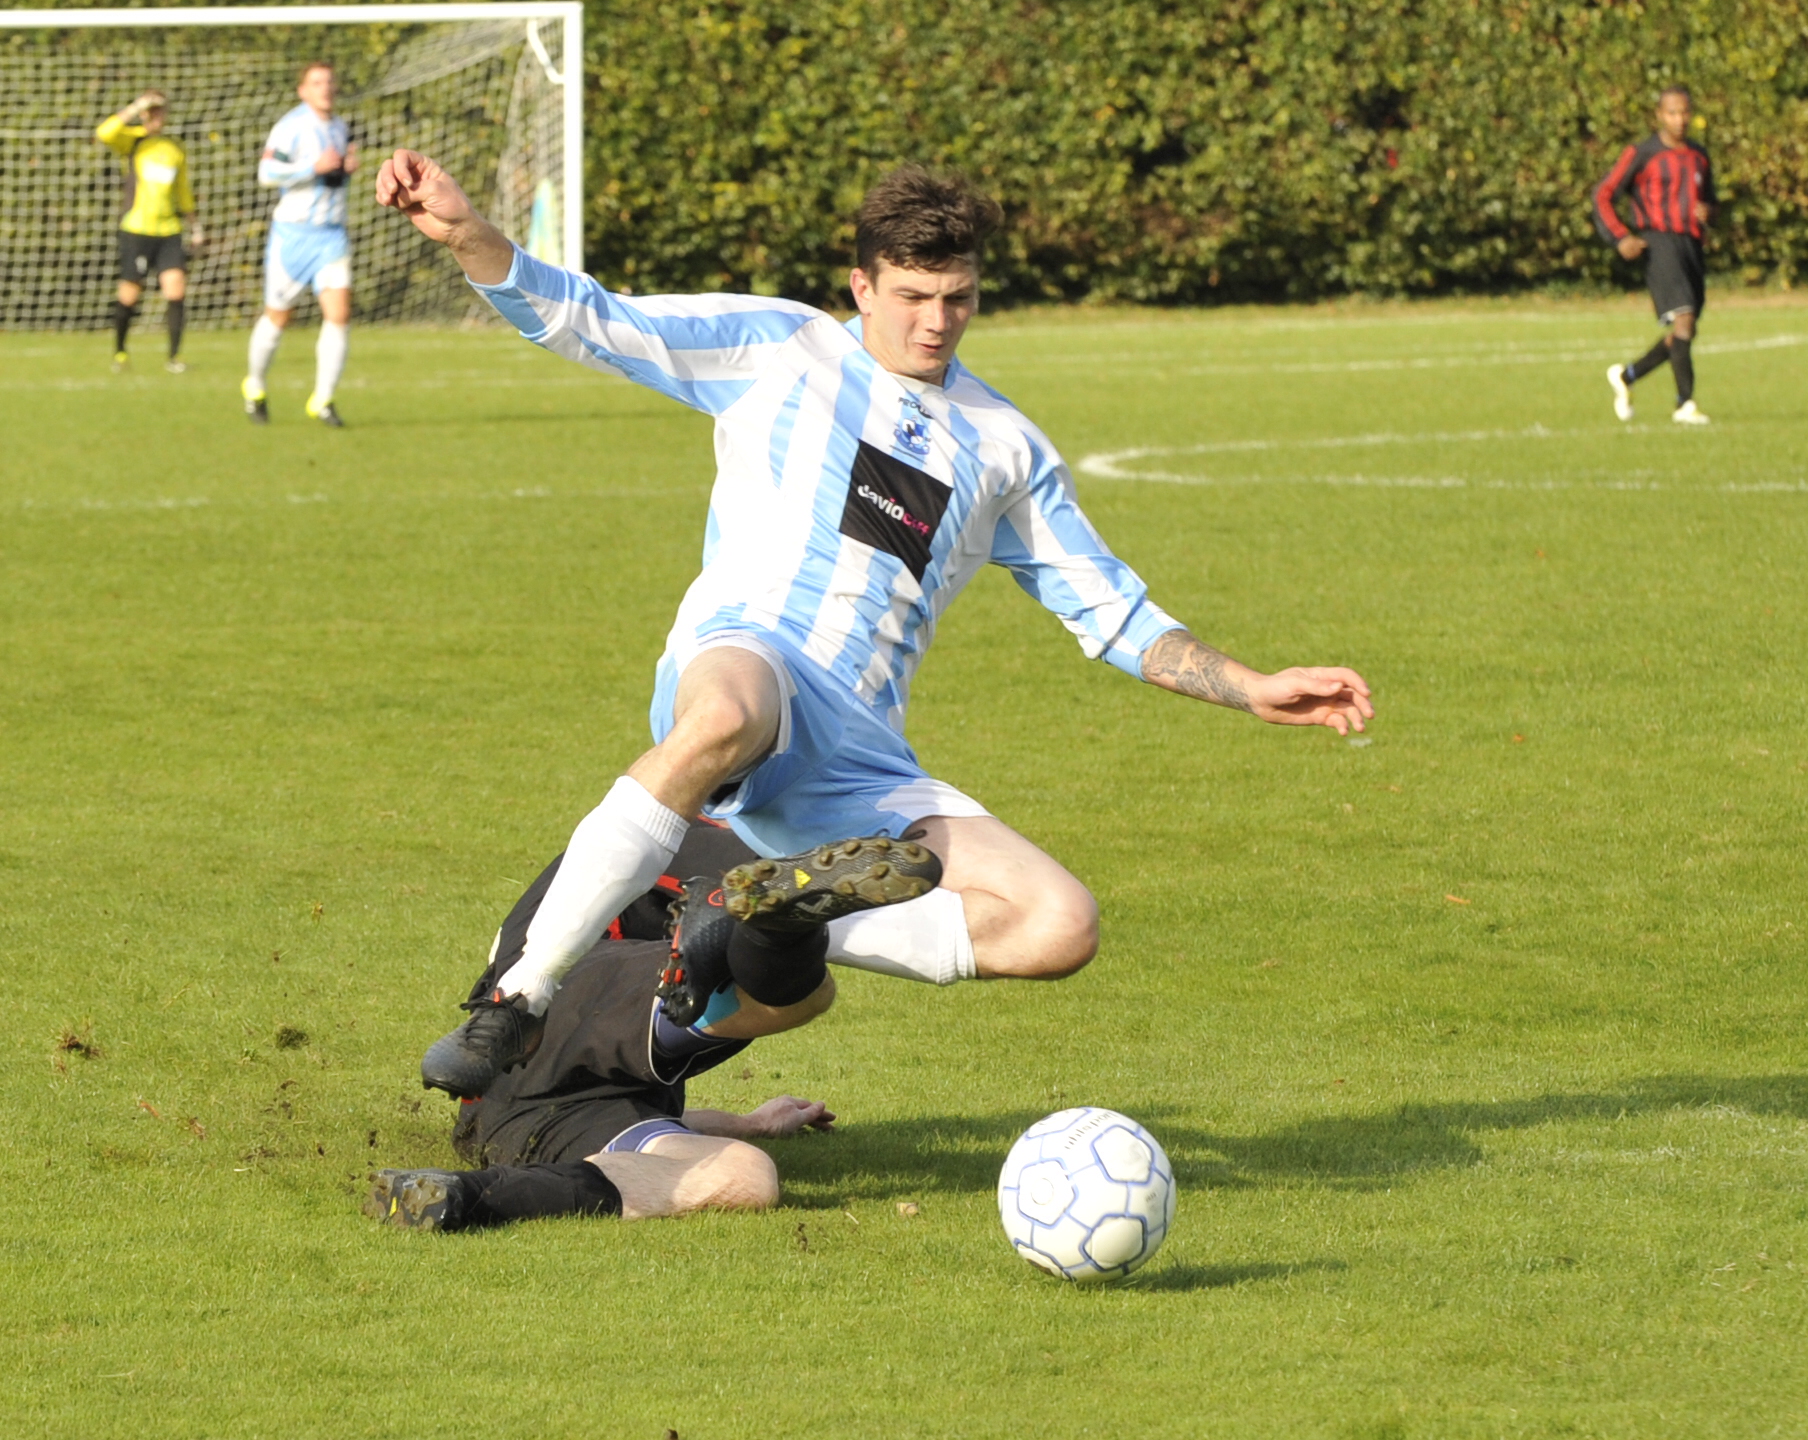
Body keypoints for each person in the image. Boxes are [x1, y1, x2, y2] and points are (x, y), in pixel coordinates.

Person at [376, 149, 1376, 1099]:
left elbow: (1108, 610)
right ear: (860, 287)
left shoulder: (1003, 448)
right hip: (750, 653)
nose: (935, 322)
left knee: (1058, 925)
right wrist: (467, 233)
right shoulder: (778, 347)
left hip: (858, 752)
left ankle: (758, 908)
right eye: (911, 296)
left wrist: (1249, 686)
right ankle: (516, 1000)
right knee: (724, 714)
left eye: (956, 298)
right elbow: (589, 319)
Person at [369, 821, 845, 1231]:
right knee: (789, 995)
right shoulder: (687, 837)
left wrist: (751, 1125)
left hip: (525, 1112)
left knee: (746, 1176)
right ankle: (777, 937)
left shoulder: (640, 833)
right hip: (557, 1007)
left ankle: (453, 1196)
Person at [242, 61, 357, 428]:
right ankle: (255, 385)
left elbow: (332, 173)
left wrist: (345, 168)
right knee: (278, 316)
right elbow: (266, 173)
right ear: (302, 90)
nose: (324, 87)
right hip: (293, 235)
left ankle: (323, 399)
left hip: (331, 235)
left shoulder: (340, 127)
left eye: (329, 81)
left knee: (338, 315)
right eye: (316, 82)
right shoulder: (291, 127)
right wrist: (312, 167)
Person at [1596, 85, 1716, 426]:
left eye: (1685, 112)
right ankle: (1685, 404)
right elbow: (1602, 195)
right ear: (1659, 116)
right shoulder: (1642, 152)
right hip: (1658, 241)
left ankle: (1628, 376)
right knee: (1684, 318)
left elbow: (1712, 202)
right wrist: (1620, 237)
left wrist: (1710, 213)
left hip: (1691, 245)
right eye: (1672, 113)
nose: (1680, 120)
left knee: (1685, 330)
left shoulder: (1699, 156)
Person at [95, 90, 200, 374]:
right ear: (144, 114)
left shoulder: (173, 149)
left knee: (176, 289)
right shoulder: (133, 141)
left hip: (169, 231)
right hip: (137, 230)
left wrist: (194, 225)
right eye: (150, 112)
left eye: (159, 112)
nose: (155, 117)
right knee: (129, 294)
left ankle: (174, 357)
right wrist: (136, 106)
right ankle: (119, 352)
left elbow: (183, 191)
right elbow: (105, 132)